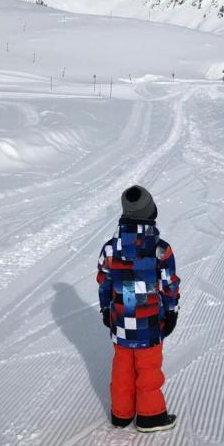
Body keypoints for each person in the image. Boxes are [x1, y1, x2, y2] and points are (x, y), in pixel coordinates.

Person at [96, 185, 180, 431]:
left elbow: (105, 281)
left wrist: (105, 309)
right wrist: (172, 310)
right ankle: (150, 416)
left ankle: (121, 414)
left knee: (122, 365)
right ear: (150, 212)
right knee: (148, 368)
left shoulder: (111, 248)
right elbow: (168, 284)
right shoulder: (160, 249)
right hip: (150, 322)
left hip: (121, 320)